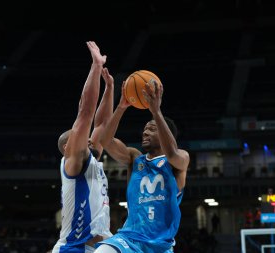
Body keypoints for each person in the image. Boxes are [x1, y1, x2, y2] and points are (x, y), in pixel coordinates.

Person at [94, 80, 190, 253]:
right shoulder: (135, 158)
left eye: (152, 129)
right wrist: (121, 107)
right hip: (130, 238)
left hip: (160, 245)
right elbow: (105, 141)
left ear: (164, 133)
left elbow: (172, 153)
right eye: (145, 129)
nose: (145, 132)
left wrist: (156, 111)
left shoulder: (180, 158)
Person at [52, 41, 114, 253]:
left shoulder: (89, 158)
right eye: (82, 137)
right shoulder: (72, 162)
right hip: (73, 248)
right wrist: (96, 67)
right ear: (68, 146)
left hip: (98, 246)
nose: (89, 139)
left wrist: (110, 89)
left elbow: (103, 124)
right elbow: (85, 113)